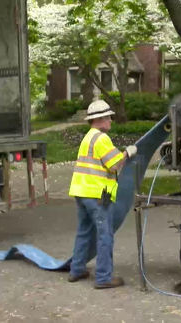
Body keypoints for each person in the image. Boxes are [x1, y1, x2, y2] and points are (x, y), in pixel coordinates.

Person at [67, 100, 138, 289]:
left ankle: (76, 270)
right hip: (97, 195)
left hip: (81, 192)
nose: (111, 121)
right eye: (108, 117)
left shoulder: (88, 137)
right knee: (104, 235)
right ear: (99, 119)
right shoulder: (101, 139)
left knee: (84, 232)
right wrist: (128, 153)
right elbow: (114, 164)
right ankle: (104, 277)